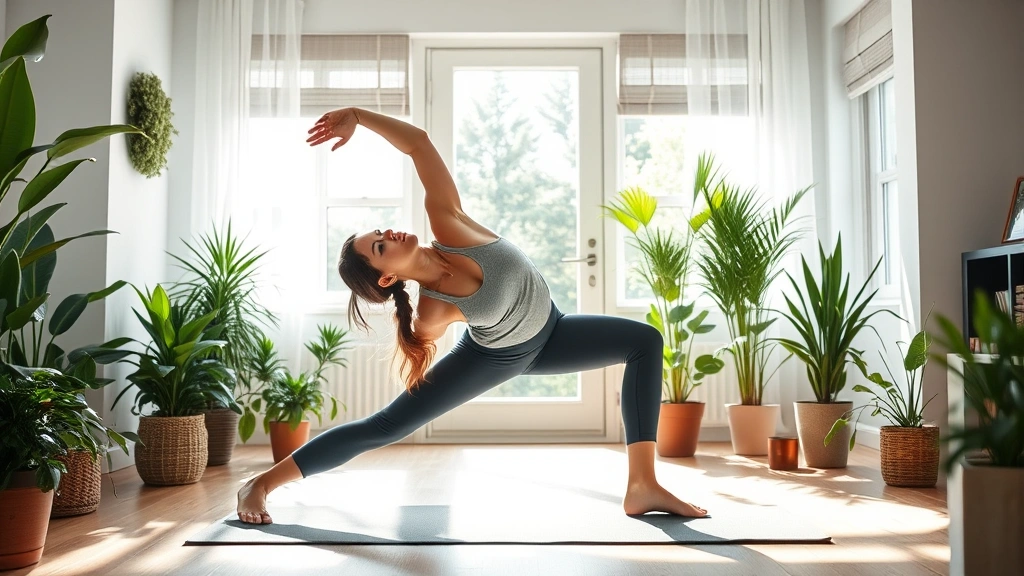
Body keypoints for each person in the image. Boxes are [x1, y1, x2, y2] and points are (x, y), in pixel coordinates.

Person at [236, 107, 708, 525]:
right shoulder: (432, 309)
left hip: (552, 331)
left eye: (380, 230)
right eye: (381, 247)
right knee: (387, 426)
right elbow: (423, 335)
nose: (391, 234)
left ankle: (642, 486)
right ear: (386, 279)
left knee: (644, 340)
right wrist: (419, 342)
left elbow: (419, 144)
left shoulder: (448, 223)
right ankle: (261, 483)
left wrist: (359, 115)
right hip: (495, 356)